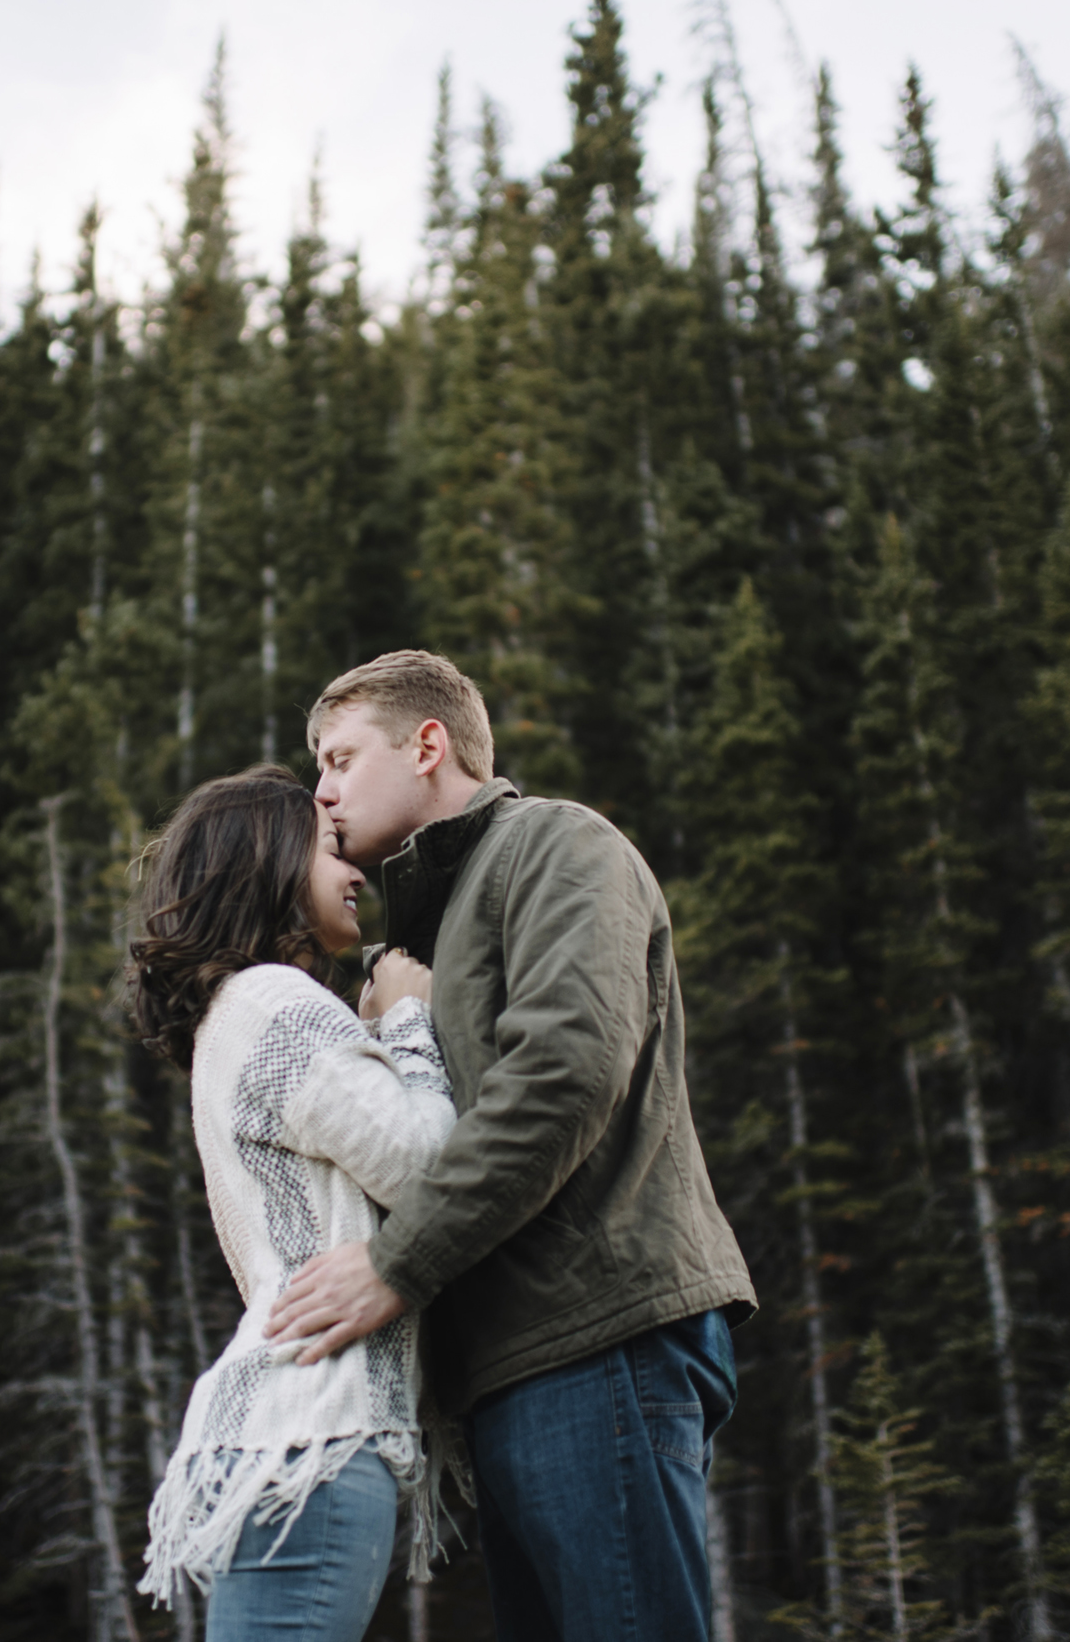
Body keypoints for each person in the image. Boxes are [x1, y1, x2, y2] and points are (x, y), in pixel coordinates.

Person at [264, 650, 758, 1642]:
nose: (319, 791)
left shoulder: (557, 847)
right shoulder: (426, 931)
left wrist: (397, 1266)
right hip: (517, 1368)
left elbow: (564, 1075)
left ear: (429, 743)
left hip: (596, 1334)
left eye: (339, 757)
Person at [130, 763, 465, 1641]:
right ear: (271, 863)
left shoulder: (240, 1014)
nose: (356, 872)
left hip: (286, 1445)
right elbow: (431, 1167)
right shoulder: (275, 1003)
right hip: (313, 1441)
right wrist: (406, 1019)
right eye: (329, 850)